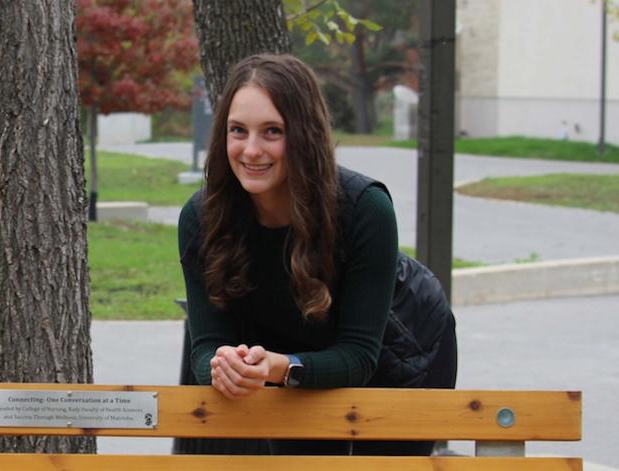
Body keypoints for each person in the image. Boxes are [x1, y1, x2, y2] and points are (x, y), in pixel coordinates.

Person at [178, 54, 453, 456]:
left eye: (272, 131)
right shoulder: (202, 217)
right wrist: (223, 367)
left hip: (400, 349)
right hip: (288, 358)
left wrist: (279, 366)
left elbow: (360, 357)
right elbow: (206, 345)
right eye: (238, 130)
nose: (251, 150)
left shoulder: (365, 207)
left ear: (304, 135)